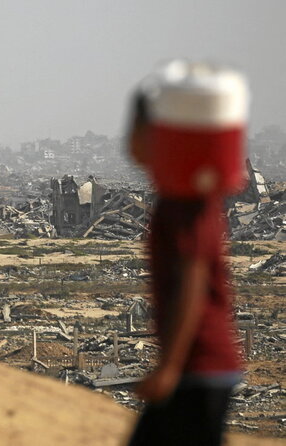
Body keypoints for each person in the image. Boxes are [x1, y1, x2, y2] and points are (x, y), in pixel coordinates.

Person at [126, 61, 247, 446]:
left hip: (200, 368)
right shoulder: (181, 200)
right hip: (198, 369)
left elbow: (191, 286)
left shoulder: (184, 205)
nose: (128, 141)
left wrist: (169, 367)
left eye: (136, 129)